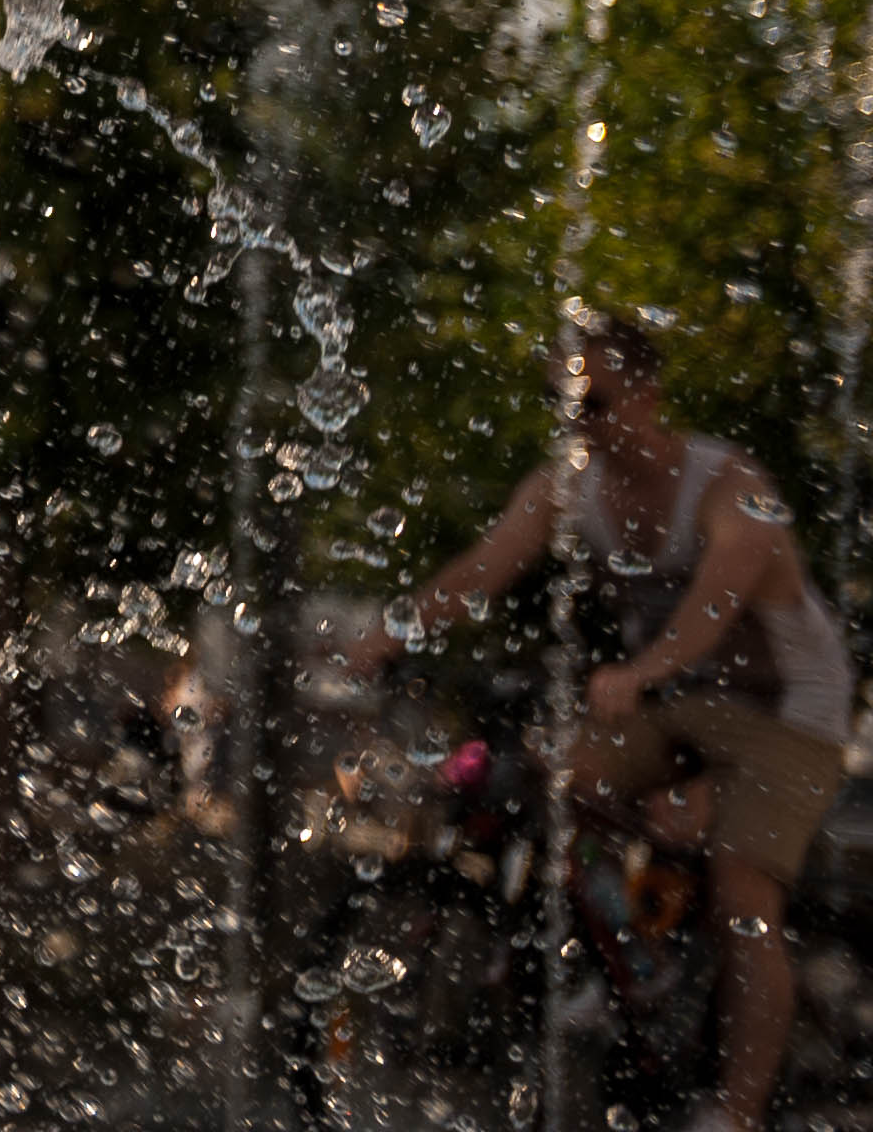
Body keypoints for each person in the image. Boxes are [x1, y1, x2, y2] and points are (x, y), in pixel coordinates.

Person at [346, 310, 854, 1132]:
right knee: (551, 777)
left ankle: (737, 1111)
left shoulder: (730, 484)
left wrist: (644, 670)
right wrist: (386, 634)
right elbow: (485, 566)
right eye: (564, 404)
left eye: (597, 404)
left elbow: (716, 600)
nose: (578, 423)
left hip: (790, 709)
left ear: (648, 398)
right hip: (674, 698)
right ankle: (634, 954)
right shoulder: (568, 484)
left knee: (742, 895)